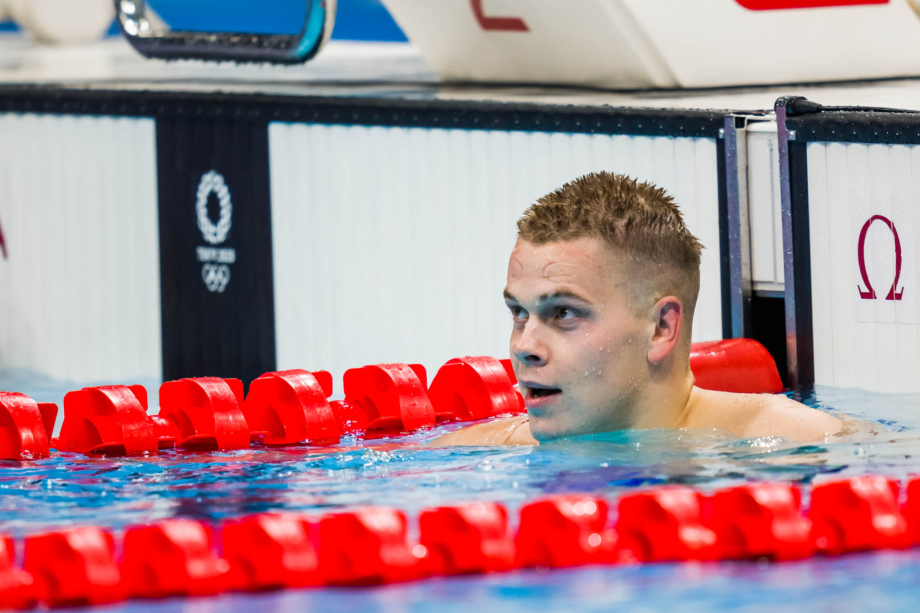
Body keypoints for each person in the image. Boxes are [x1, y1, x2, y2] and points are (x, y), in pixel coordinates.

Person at [433, 172, 841, 447]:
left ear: (661, 328)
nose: (525, 347)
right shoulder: (472, 452)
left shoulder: (795, 443)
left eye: (564, 314)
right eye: (519, 313)